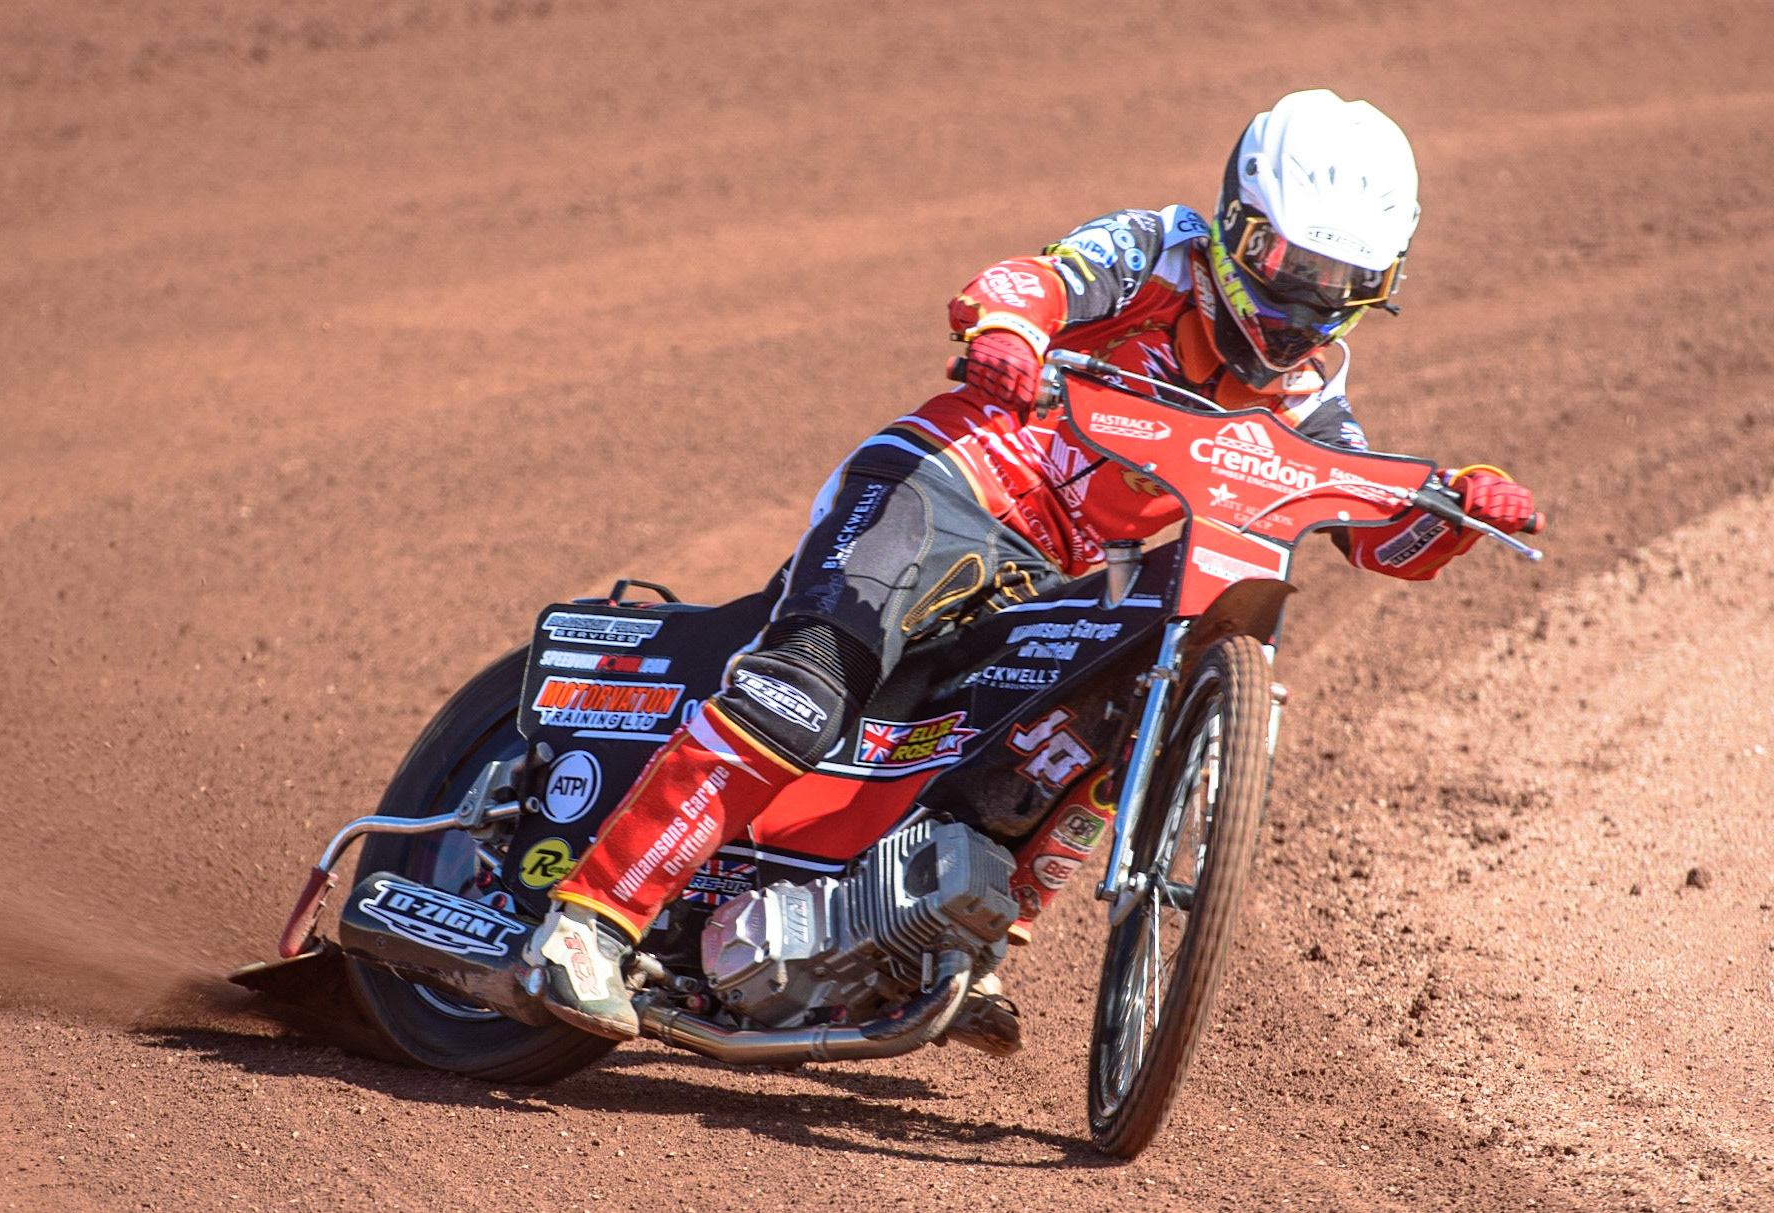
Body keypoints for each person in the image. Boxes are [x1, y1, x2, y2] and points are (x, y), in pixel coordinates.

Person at [524, 88, 1538, 1040]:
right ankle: (590, 922)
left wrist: (1454, 507)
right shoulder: (1154, 254)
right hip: (945, 489)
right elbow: (1029, 281)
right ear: (1236, 226)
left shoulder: (1311, 388)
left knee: (1116, 700)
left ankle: (961, 938)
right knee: (804, 690)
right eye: (1293, 264)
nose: (1310, 302)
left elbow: (1364, 521)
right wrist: (1010, 329)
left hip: (1054, 567)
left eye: (1347, 283)